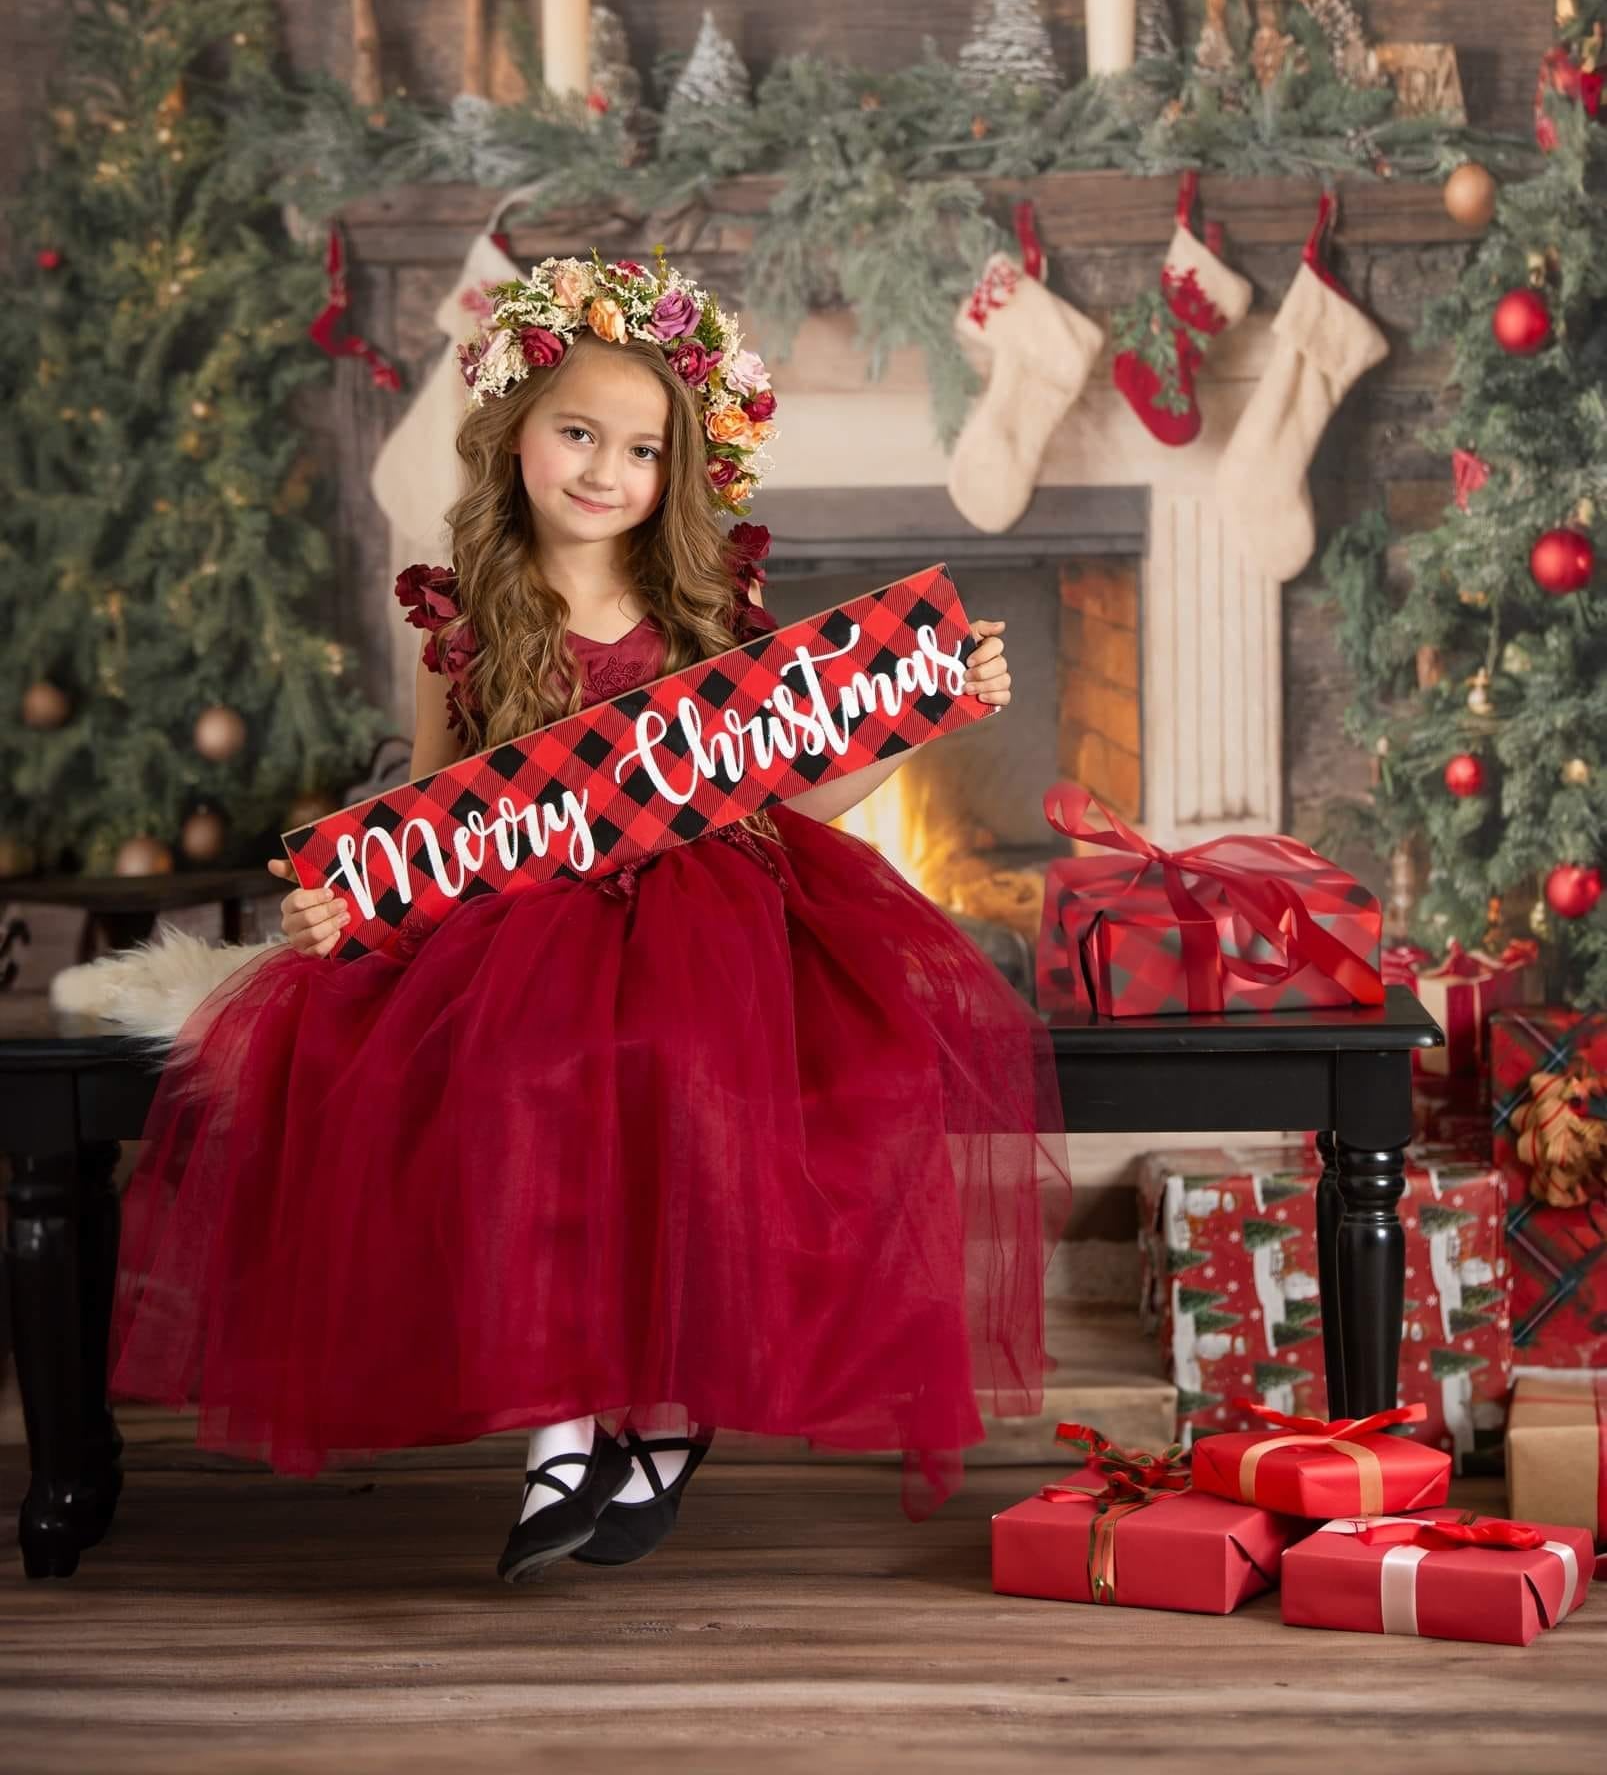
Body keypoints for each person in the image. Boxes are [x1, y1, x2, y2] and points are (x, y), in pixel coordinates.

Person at [109, 248, 1073, 1584]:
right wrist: (352, 912)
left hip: (711, 910)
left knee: (697, 1079)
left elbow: (807, 770)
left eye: (639, 450)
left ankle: (669, 1415)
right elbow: (434, 816)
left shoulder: (703, 611)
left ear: (676, 475)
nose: (604, 471)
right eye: (578, 433)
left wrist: (928, 704)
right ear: (516, 437)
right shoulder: (461, 622)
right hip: (522, 924)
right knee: (516, 1080)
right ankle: (563, 1425)